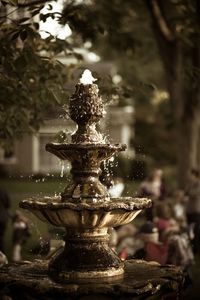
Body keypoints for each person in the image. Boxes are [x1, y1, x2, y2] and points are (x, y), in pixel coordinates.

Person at [185, 169, 200, 253]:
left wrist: (187, 193)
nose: (188, 176)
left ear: (195, 175)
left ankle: (196, 249)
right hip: (189, 210)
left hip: (196, 210)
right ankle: (192, 248)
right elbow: (185, 193)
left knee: (195, 230)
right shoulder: (190, 184)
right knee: (189, 230)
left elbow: (192, 193)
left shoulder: (198, 184)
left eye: (190, 174)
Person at [0, 188, 11, 252]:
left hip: (2, 217)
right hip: (2, 218)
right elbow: (8, 204)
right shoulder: (2, 191)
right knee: (1, 237)